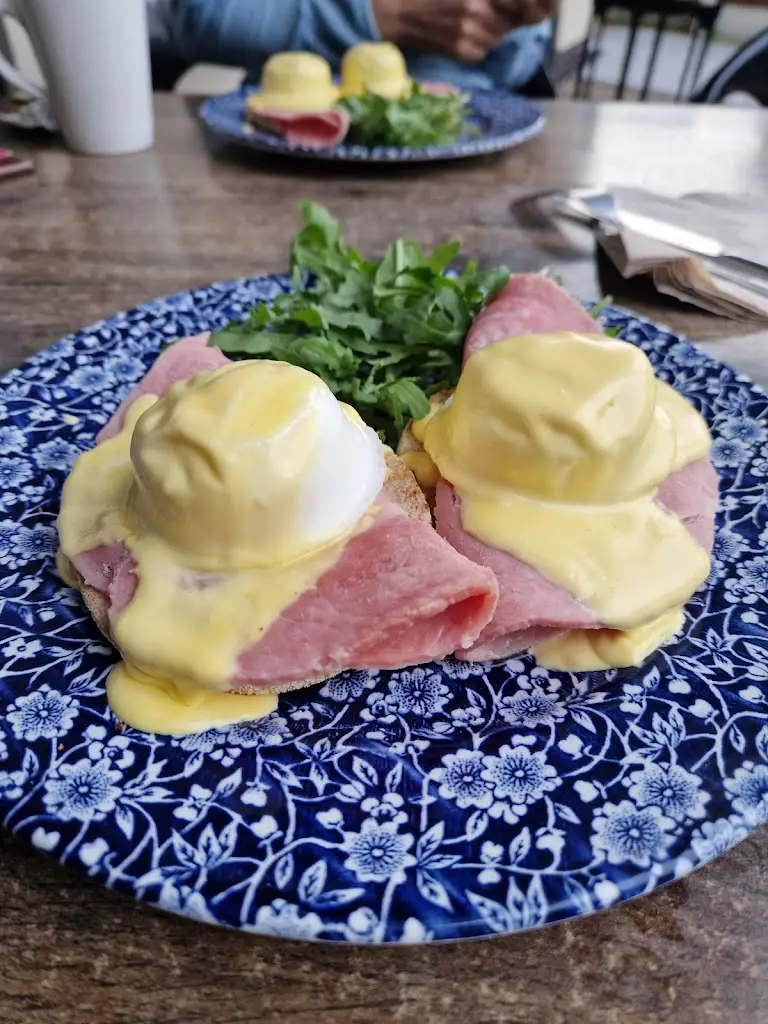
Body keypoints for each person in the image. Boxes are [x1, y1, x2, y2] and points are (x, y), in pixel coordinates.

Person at [148, 0, 556, 95]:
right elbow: (204, 17)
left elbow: (514, 67)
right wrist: (377, 16)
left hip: (470, 147)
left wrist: (512, 24)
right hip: (288, 155)